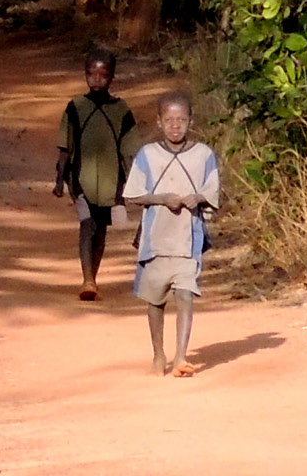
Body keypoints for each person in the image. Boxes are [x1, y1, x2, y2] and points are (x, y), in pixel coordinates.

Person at [123, 89, 220, 376]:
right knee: (155, 300)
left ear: (191, 121)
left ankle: (180, 356)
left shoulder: (203, 155)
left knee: (186, 294)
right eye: (169, 120)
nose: (175, 125)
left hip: (188, 239)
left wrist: (197, 198)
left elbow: (213, 191)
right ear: (158, 122)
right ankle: (158, 353)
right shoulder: (147, 154)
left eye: (181, 119)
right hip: (156, 240)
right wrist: (161, 198)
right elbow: (133, 195)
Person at [52, 48, 137, 301]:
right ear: (85, 74)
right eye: (92, 73)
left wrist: (134, 182)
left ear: (112, 76)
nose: (97, 79)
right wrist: (59, 179)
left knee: (101, 229)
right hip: (80, 178)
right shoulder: (75, 107)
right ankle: (87, 279)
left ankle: (93, 278)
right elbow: (65, 147)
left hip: (112, 181)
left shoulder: (121, 110)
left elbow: (130, 150)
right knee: (87, 224)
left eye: (104, 74)